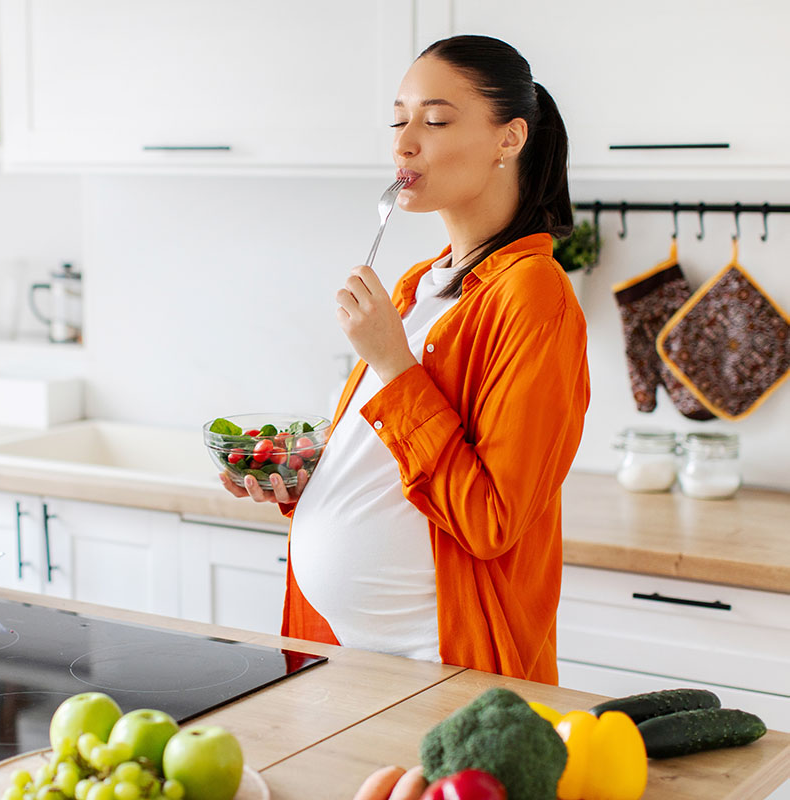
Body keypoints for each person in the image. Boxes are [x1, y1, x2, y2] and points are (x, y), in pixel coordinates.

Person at [221, 34, 590, 684]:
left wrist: (392, 363)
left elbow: (489, 520)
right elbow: (399, 463)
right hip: (341, 658)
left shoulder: (534, 294)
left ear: (509, 139)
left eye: (436, 120)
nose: (403, 144)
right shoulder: (419, 285)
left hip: (440, 671)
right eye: (399, 120)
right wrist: (302, 481)